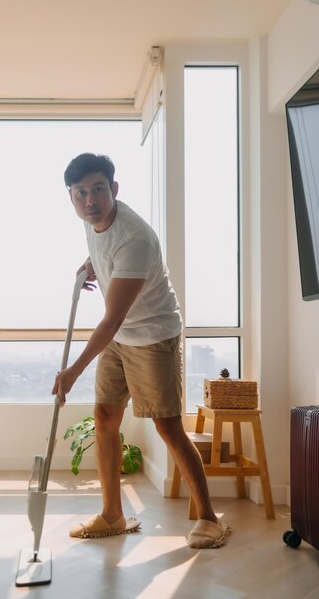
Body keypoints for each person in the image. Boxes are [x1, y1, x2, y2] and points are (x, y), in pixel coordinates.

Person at [52, 153, 230, 548]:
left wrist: (73, 371)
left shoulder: (134, 237)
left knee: (167, 427)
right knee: (104, 417)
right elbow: (104, 248)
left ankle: (210, 519)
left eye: (98, 189)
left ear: (113, 189)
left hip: (152, 335)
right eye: (80, 193)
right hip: (120, 337)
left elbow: (112, 318)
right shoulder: (93, 222)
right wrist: (92, 264)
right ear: (72, 197)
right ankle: (113, 515)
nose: (90, 200)